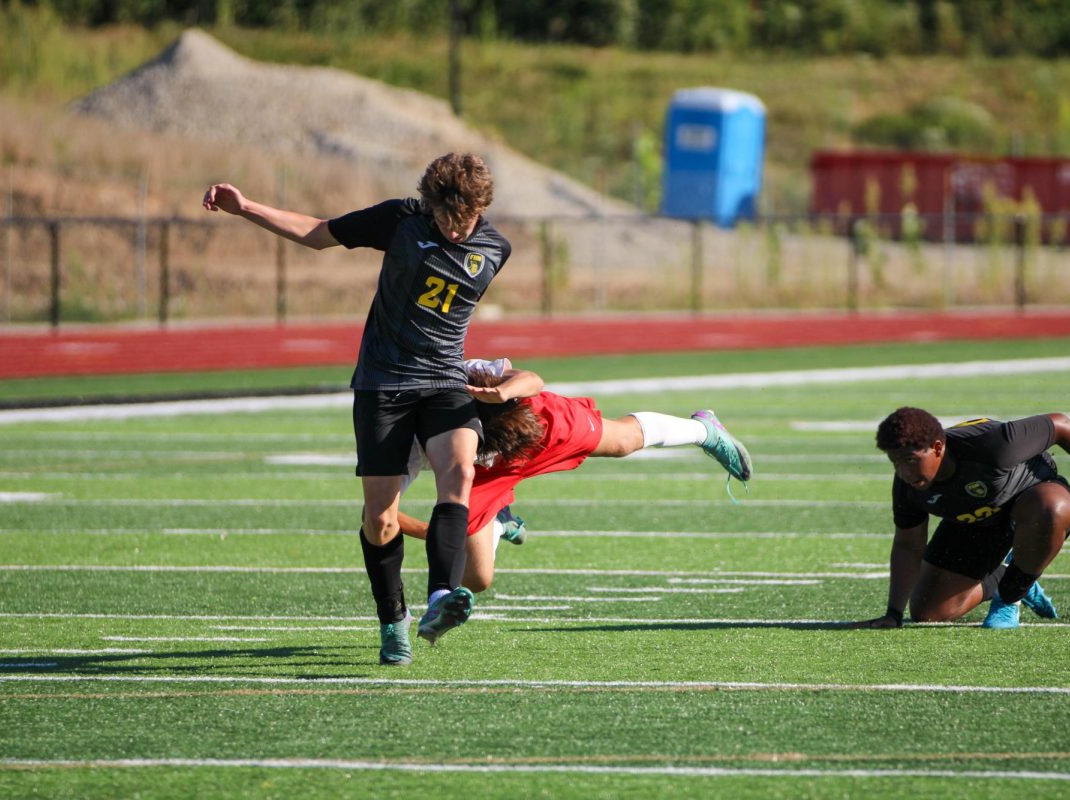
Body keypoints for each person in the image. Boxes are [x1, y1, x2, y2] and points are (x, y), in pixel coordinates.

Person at [203, 153, 510, 665]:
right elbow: (318, 233)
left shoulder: (497, 248)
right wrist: (245, 208)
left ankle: (440, 598)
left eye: (465, 219)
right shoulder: (400, 221)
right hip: (384, 385)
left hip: (444, 382)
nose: (454, 230)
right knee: (380, 518)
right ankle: (393, 618)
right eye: (443, 218)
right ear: (429, 205)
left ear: (482, 208)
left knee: (457, 474)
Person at [381, 357, 752, 660]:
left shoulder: (451, 371)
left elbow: (531, 379)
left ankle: (704, 430)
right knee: (478, 579)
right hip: (475, 473)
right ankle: (497, 523)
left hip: (532, 425)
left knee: (621, 441)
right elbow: (383, 514)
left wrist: (502, 392)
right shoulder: (406, 442)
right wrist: (446, 531)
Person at [853, 407, 1070, 631]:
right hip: (977, 521)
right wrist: (894, 614)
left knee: (1053, 508)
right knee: (929, 611)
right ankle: (1010, 574)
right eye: (895, 462)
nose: (904, 471)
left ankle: (1012, 593)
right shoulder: (906, 485)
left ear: (937, 448)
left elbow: (1060, 424)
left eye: (910, 460)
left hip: (1030, 501)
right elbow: (908, 544)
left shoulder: (993, 445)